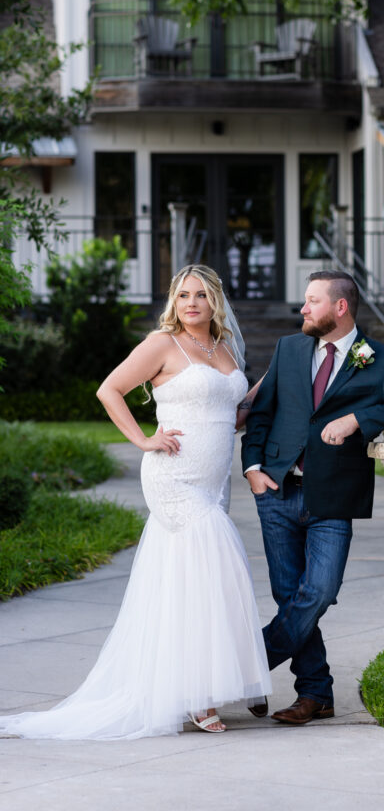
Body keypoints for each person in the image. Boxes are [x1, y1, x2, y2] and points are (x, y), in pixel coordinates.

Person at [0, 264, 271, 739]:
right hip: (173, 478)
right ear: (174, 300)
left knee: (197, 580)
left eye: (201, 296)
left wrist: (262, 392)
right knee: (210, 566)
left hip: (212, 482)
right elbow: (109, 390)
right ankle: (195, 696)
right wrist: (144, 440)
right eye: (183, 294)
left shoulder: (225, 347)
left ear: (215, 302)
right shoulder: (161, 344)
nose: (191, 303)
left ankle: (198, 685)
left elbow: (229, 413)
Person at [241, 270, 384, 725]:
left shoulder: (380, 359)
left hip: (332, 498)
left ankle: (245, 667)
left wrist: (357, 420)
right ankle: (316, 695)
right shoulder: (289, 349)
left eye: (311, 301)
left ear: (340, 308)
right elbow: (261, 414)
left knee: (319, 592)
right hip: (278, 489)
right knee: (290, 596)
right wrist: (252, 470)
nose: (303, 309)